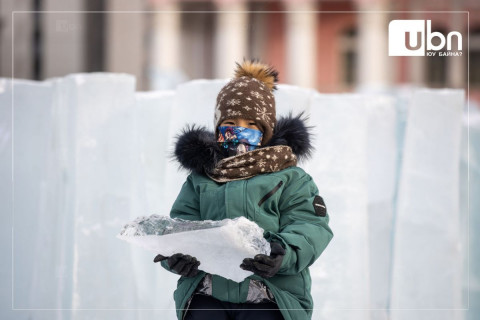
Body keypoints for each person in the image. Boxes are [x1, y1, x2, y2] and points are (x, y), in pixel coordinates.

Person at [154, 59, 334, 320]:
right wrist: (177, 258)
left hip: (272, 295)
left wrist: (281, 254)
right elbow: (183, 226)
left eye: (251, 125)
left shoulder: (291, 178)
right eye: (231, 123)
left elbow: (311, 226)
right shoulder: (200, 179)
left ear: (266, 131)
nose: (240, 131)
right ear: (218, 128)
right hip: (206, 295)